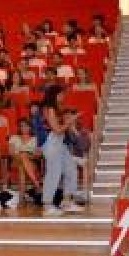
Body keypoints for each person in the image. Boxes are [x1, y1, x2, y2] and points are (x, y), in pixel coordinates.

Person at [40, 87, 82, 216]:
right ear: (55, 95)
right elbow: (57, 130)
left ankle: (67, 202)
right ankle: (47, 205)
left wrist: (70, 121)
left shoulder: (57, 108)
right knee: (54, 173)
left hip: (60, 143)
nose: (63, 96)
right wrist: (69, 122)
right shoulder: (50, 109)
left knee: (71, 169)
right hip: (52, 143)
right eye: (61, 94)